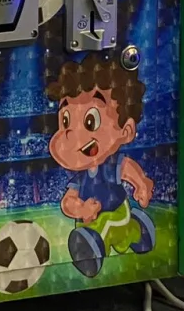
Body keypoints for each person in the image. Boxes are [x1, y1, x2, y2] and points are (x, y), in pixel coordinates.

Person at [48, 54, 156, 278]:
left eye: (90, 122)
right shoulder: (81, 175)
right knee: (98, 230)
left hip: (115, 212)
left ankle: (134, 231)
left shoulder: (111, 164)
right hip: (89, 220)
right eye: (66, 120)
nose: (71, 134)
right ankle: (120, 235)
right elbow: (68, 200)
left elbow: (127, 169)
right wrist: (80, 209)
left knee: (113, 230)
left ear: (125, 131)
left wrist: (141, 185)